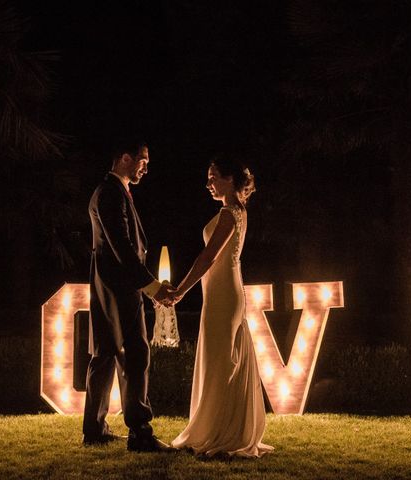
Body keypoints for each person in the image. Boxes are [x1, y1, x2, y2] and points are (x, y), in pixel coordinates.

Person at [167, 156, 274, 457]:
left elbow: (208, 257)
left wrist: (180, 290)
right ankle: (224, 427)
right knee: (223, 360)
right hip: (223, 291)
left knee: (221, 362)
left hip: (224, 293)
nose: (208, 182)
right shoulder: (236, 211)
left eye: (213, 176)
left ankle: (219, 432)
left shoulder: (230, 214)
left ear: (229, 178)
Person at [83, 139, 174, 452]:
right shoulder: (111, 193)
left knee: (104, 353)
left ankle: (94, 429)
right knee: (135, 354)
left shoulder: (106, 191)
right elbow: (122, 246)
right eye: (142, 159)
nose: (146, 166)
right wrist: (151, 287)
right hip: (121, 288)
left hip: (104, 286)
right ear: (124, 158)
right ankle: (140, 432)